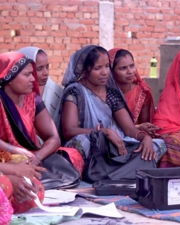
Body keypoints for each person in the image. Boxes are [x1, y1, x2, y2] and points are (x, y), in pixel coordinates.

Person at [58, 45, 166, 181]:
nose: (105, 72)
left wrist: (145, 138)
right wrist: (103, 132)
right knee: (81, 142)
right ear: (84, 71)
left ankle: (115, 171)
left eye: (107, 66)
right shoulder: (75, 92)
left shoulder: (112, 94)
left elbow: (130, 130)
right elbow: (69, 131)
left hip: (113, 146)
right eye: (98, 68)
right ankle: (120, 170)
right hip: (93, 146)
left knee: (158, 144)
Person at [0, 52, 78, 191]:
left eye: (32, 74)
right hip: (5, 159)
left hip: (29, 156)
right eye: (27, 74)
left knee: (72, 155)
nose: (32, 79)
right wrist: (13, 150)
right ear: (9, 77)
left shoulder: (32, 99)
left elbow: (54, 138)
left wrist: (36, 157)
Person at [108, 48, 160, 137]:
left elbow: (145, 125)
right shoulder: (102, 92)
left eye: (132, 66)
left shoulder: (142, 92)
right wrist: (138, 127)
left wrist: (142, 129)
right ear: (111, 71)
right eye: (123, 68)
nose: (130, 72)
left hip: (135, 137)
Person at [18, 47, 64, 123]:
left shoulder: (57, 92)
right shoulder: (15, 92)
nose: (46, 73)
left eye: (47, 67)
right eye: (39, 69)